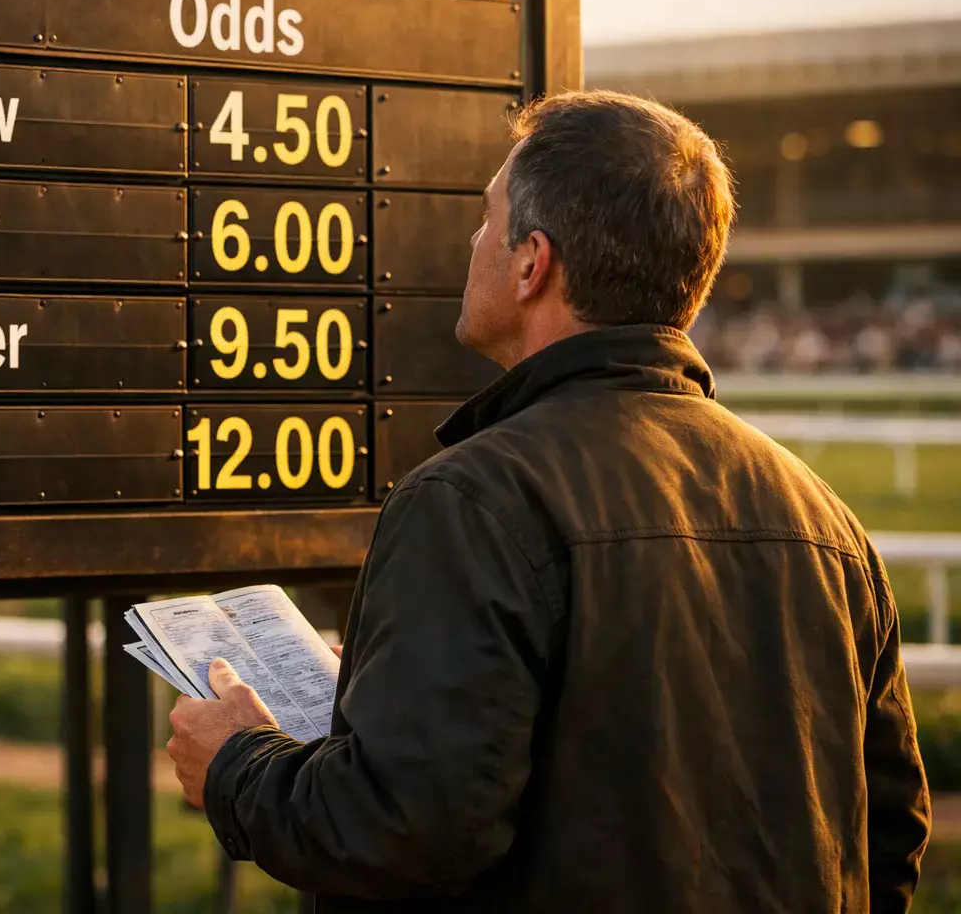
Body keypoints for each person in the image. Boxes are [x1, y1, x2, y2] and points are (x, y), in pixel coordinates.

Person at [164, 90, 931, 912]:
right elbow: (889, 834)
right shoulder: (825, 519)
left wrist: (240, 766)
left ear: (533, 262)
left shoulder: (470, 499)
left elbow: (406, 834)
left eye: (486, 219)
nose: (471, 242)